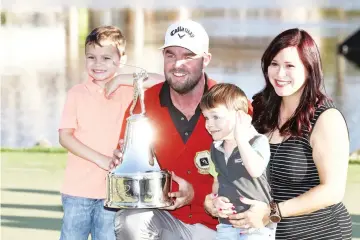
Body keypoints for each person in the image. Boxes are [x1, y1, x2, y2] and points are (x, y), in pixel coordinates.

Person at [110, 19, 252, 240]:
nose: (178, 64)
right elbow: (129, 172)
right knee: (130, 220)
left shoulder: (234, 104)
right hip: (168, 224)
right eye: (171, 55)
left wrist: (196, 195)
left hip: (223, 229)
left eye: (188, 56)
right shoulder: (143, 104)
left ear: (205, 59)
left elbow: (255, 176)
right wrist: (123, 164)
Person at [204, 28, 353, 239]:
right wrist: (213, 200)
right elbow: (230, 164)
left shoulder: (326, 119)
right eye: (274, 64)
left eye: (290, 66)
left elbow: (333, 190)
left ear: (309, 69)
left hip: (318, 232)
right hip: (259, 233)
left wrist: (272, 213)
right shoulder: (259, 111)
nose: (280, 74)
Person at [58, 26, 134, 240]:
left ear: (121, 59)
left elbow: (161, 81)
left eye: (106, 58)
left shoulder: (129, 91)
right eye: (91, 57)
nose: (97, 64)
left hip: (114, 192)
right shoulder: (76, 94)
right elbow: (65, 136)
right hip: (77, 190)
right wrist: (101, 159)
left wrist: (121, 78)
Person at [200, 83, 276, 240]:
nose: (209, 124)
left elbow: (255, 169)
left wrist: (240, 139)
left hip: (255, 227)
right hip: (227, 224)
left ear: (239, 116)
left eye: (215, 117)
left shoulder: (257, 142)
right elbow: (217, 182)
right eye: (206, 117)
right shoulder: (216, 148)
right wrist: (216, 200)